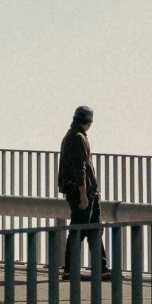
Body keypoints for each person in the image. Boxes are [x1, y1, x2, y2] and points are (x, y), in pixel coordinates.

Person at [58, 103, 110, 280]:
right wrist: (83, 195)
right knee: (79, 230)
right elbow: (80, 168)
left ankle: (101, 267)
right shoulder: (78, 138)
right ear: (89, 122)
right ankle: (70, 269)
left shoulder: (72, 135)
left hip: (88, 191)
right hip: (82, 191)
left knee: (94, 229)